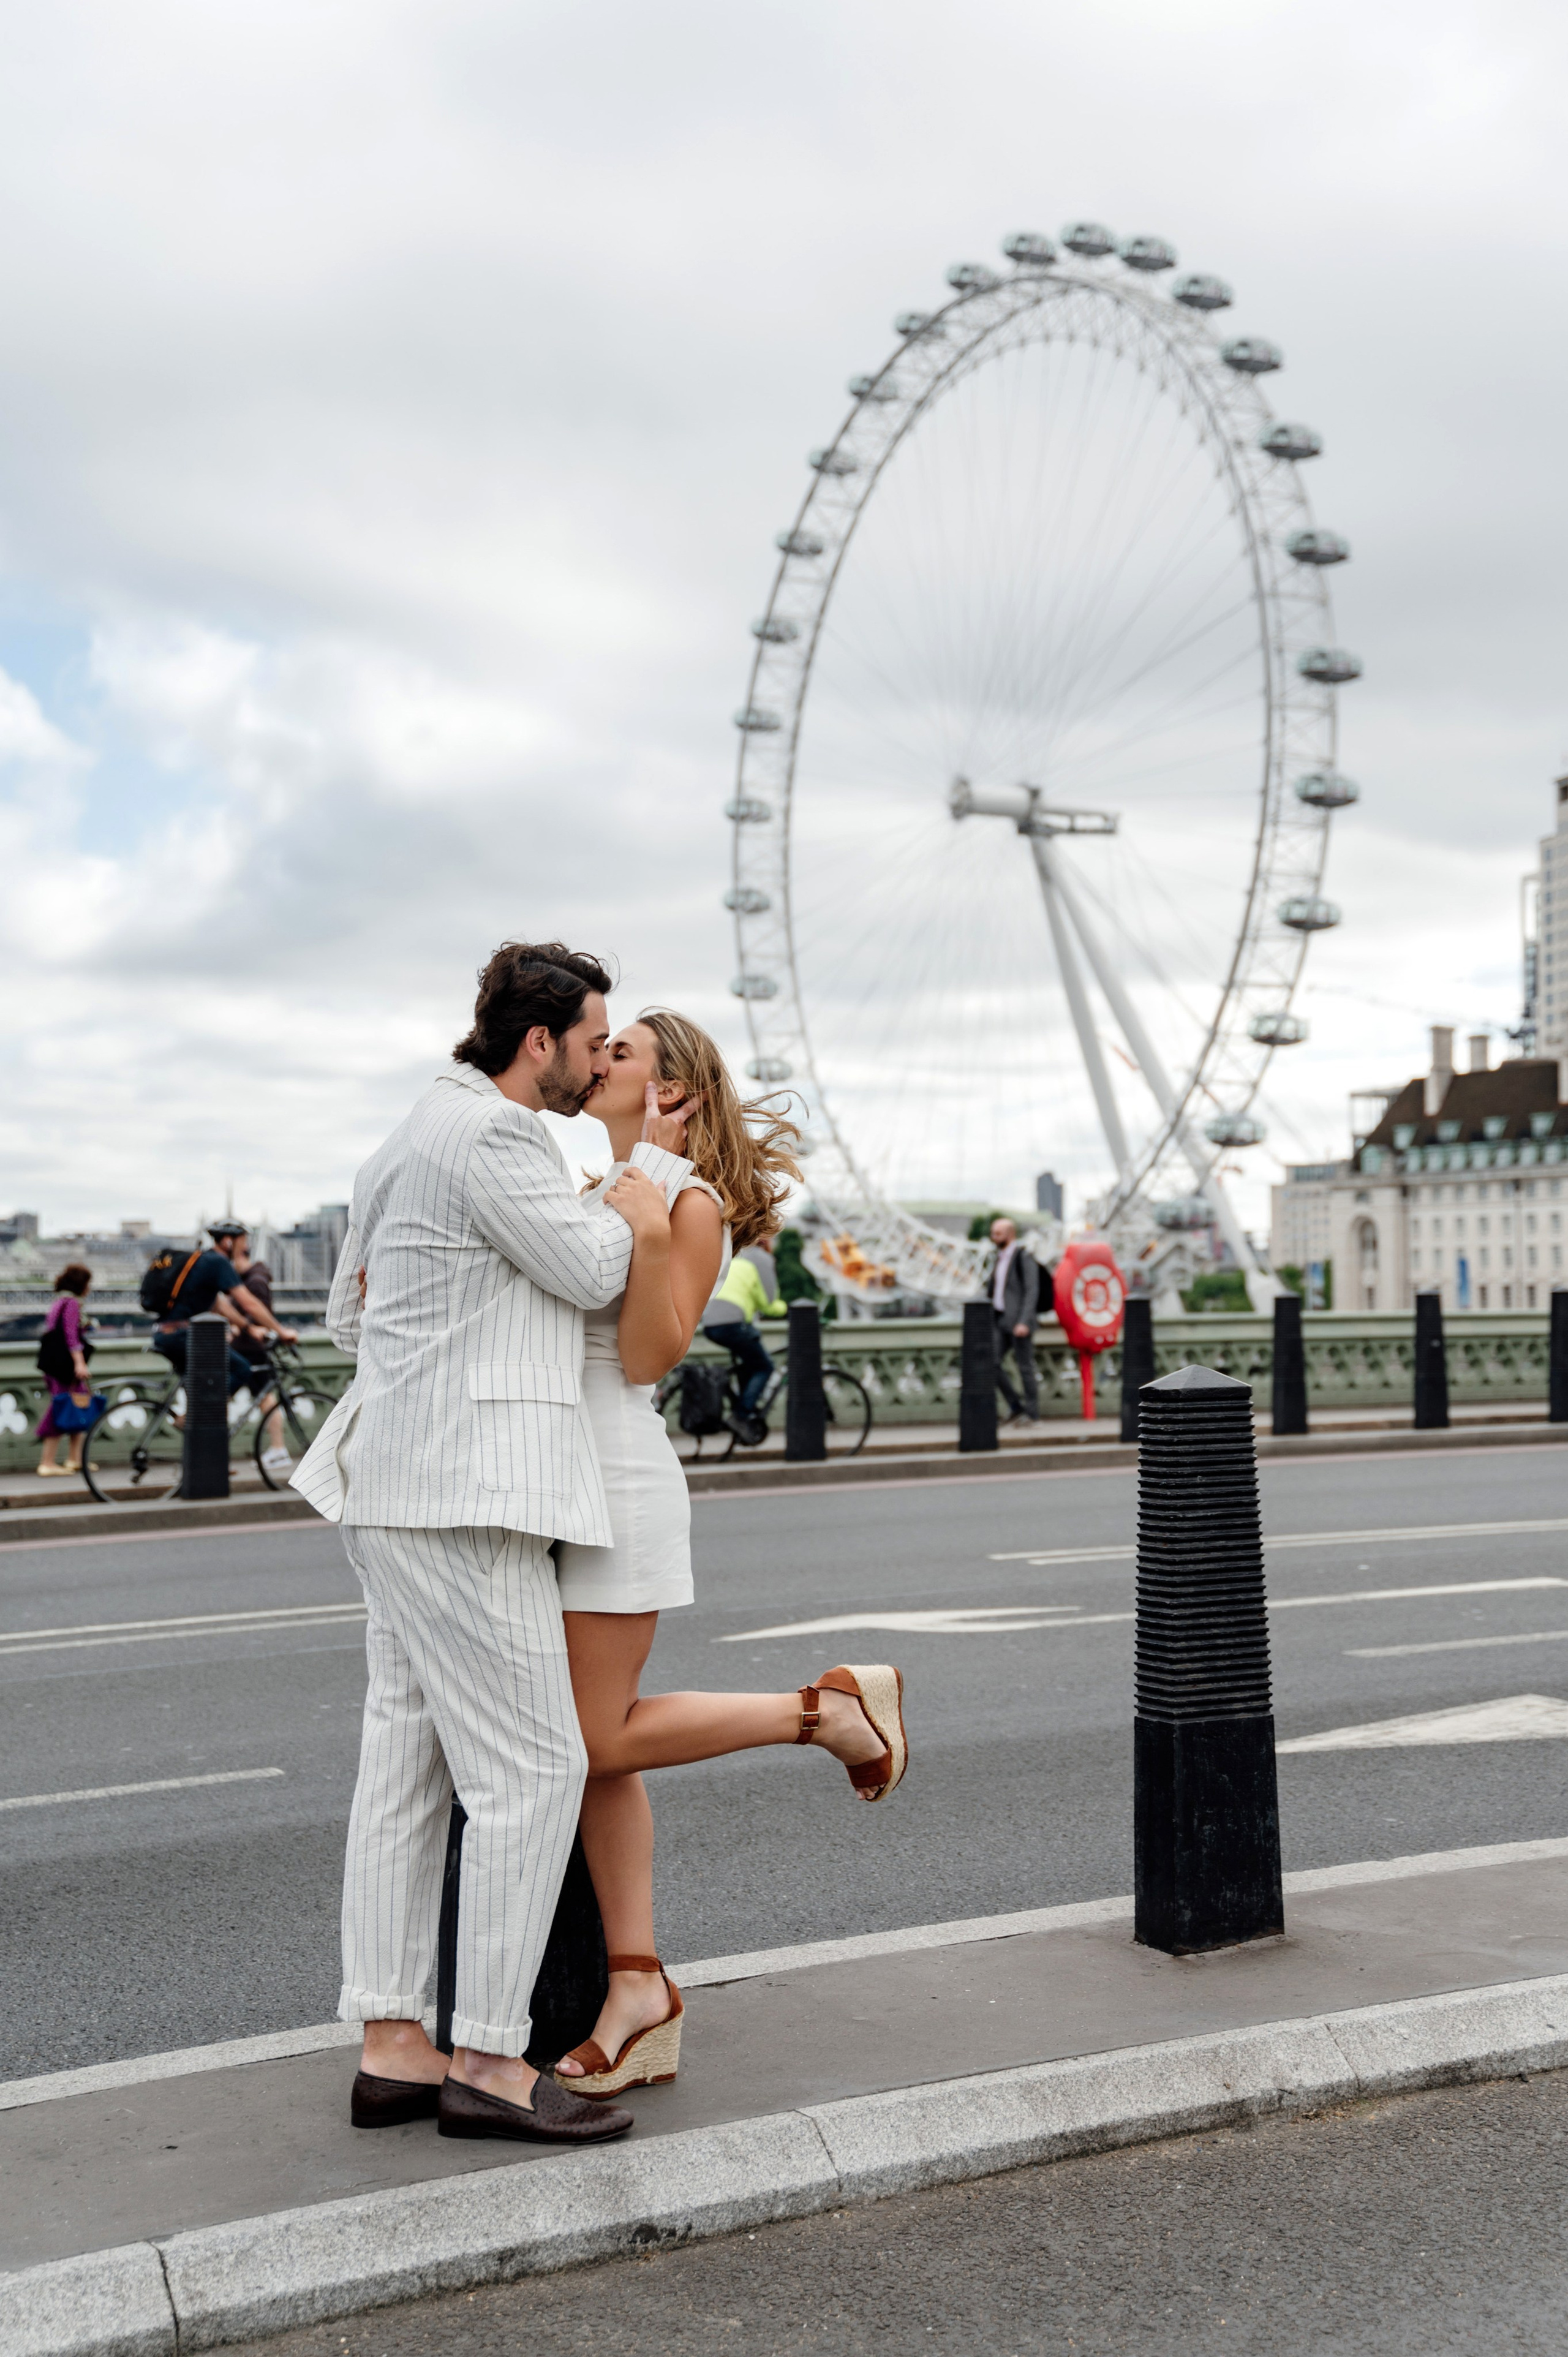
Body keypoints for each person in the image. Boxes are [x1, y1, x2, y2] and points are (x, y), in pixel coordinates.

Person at [291, 941, 698, 2148]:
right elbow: (585, 1274)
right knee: (532, 1771)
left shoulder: (409, 1132)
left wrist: (469, 1315)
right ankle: (486, 2060)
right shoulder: (501, 1136)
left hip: (389, 1482)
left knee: (404, 1767)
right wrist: (645, 1180)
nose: (594, 1058)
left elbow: (347, 1311)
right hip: (471, 1491)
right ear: (541, 1043)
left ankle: (390, 2046)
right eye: (590, 1039)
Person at [550, 1009, 908, 2102]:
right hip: (559, 1486)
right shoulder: (600, 1186)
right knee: (590, 1755)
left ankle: (826, 1710)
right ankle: (637, 1981)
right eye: (600, 1050)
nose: (598, 1060)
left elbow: (650, 1352)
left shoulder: (687, 1202)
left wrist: (652, 1222)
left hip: (615, 1482)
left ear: (678, 1092)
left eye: (620, 1052)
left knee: (592, 1736)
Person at [149, 1220, 298, 1403]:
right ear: (229, 1241)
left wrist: (249, 1328)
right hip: (181, 1336)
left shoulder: (204, 1260)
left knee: (203, 1383)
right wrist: (282, 1332)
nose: (247, 1248)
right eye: (244, 1242)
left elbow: (220, 1306)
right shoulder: (218, 1262)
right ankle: (196, 1418)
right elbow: (250, 1303)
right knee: (242, 1369)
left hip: (167, 1334)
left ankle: (196, 1424)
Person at [700, 1234, 789, 1436]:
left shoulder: (733, 1255)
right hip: (733, 1324)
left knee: (749, 1362)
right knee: (764, 1367)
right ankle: (740, 1417)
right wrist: (786, 1309)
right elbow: (768, 1304)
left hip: (710, 1323)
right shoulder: (763, 1260)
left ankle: (741, 1404)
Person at [231, 1239, 289, 1474]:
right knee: (265, 1399)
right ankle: (278, 1450)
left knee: (266, 1399)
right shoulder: (249, 1280)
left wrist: (241, 1329)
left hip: (251, 1351)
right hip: (246, 1349)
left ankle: (278, 1449)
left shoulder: (255, 1283)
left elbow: (260, 1316)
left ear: (240, 1257)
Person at [35, 1264, 93, 1477]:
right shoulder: (71, 1304)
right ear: (81, 1284)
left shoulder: (59, 1302)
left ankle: (75, 1459)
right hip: (65, 1367)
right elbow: (70, 1336)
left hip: (53, 1365)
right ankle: (48, 1462)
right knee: (61, 1408)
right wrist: (80, 1363)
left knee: (79, 1403)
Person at [988, 1215, 1041, 1425]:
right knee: (991, 1363)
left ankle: (1033, 1414)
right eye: (993, 1233)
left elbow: (1032, 1291)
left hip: (1019, 1322)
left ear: (1010, 1234)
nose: (993, 1237)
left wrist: (1024, 1321)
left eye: (998, 1234)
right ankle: (1016, 1407)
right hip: (1000, 1320)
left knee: (1025, 1368)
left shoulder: (1023, 1257)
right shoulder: (999, 1258)